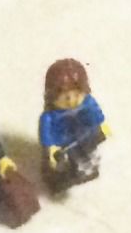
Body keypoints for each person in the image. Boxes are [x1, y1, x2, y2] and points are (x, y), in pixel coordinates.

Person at [39, 58, 109, 190]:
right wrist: (51, 148)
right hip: (63, 141)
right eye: (66, 97)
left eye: (77, 95)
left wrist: (101, 125)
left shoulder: (87, 103)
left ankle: (89, 167)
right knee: (65, 161)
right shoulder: (50, 117)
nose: (72, 101)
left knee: (90, 152)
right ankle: (64, 175)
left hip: (84, 135)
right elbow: (46, 134)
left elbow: (95, 113)